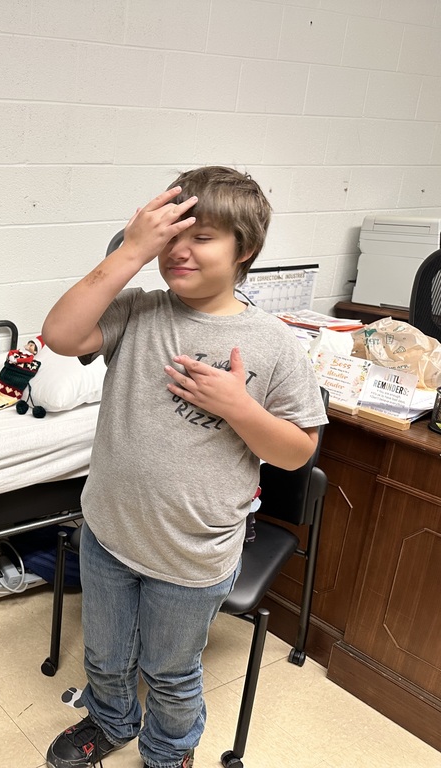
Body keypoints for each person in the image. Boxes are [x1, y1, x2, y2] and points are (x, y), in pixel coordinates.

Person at [40, 166, 328, 768]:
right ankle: (111, 719)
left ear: (244, 249)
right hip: (109, 534)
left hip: (191, 556)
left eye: (203, 237)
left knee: (170, 671)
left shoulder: (274, 343)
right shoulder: (138, 311)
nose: (181, 250)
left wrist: (239, 408)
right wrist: (131, 251)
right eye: (173, 235)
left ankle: (170, 751)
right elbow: (60, 335)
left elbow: (298, 452)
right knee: (105, 656)